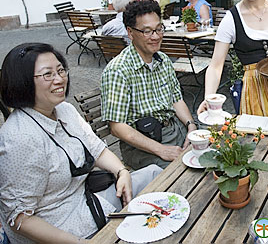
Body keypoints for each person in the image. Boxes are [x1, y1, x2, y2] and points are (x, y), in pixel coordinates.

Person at [0, 43, 162, 244]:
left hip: (89, 202)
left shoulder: (65, 110)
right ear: (22, 82)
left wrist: (122, 172)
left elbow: (97, 149)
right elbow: (20, 218)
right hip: (62, 230)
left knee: (155, 174)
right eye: (47, 74)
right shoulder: (20, 137)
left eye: (60, 70)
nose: (59, 80)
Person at [101, 0, 197, 170]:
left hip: (175, 128)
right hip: (143, 144)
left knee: (210, 153)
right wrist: (161, 150)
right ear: (130, 33)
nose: (156, 36)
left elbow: (176, 100)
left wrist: (191, 126)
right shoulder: (118, 70)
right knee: (181, 172)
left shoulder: (163, 60)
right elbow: (117, 127)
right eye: (147, 31)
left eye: (159, 29)